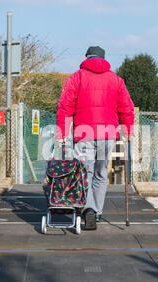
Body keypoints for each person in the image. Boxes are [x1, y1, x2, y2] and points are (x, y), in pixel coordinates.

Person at [56, 46, 135, 230]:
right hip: (107, 134)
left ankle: (88, 209)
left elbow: (65, 106)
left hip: (84, 134)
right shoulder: (116, 80)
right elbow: (126, 107)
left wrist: (62, 133)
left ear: (86, 57)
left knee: (84, 174)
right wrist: (127, 132)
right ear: (103, 58)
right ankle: (97, 212)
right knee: (100, 174)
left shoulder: (77, 77)